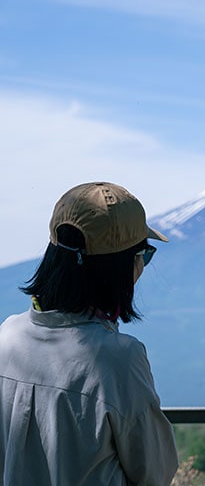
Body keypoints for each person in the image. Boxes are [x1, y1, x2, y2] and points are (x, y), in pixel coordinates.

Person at [0, 182, 178, 484]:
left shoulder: (7, 337)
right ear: (121, 267)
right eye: (144, 255)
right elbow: (155, 471)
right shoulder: (119, 359)